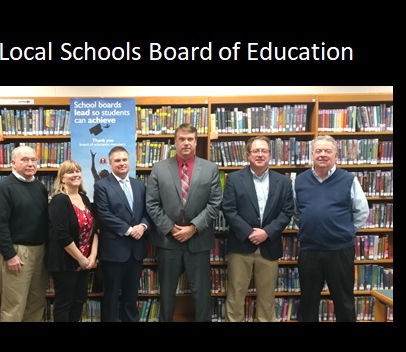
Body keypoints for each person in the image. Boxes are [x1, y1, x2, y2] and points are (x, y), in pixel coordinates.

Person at [146, 123, 222, 322]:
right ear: (175, 142)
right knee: (167, 293)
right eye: (182, 139)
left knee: (202, 293)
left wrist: (193, 228)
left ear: (196, 142)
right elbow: (151, 204)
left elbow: (215, 203)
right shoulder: (159, 168)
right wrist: (171, 228)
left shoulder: (210, 168)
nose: (186, 143)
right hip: (168, 243)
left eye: (190, 139)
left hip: (199, 241)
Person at [294, 135, 369, 322]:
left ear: (336, 155)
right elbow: (296, 212)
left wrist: (346, 231)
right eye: (318, 151)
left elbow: (361, 211)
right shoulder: (299, 180)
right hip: (309, 250)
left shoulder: (349, 179)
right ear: (312, 154)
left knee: (344, 301)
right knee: (308, 302)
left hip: (340, 251)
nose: (322, 155)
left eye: (327, 151)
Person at [221, 136, 294, 322]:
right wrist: (249, 233)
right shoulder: (234, 179)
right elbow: (228, 209)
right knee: (236, 295)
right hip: (241, 246)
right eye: (256, 151)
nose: (260, 154)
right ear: (248, 155)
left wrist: (267, 232)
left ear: (270, 155)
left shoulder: (283, 182)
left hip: (269, 245)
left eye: (264, 151)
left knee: (267, 298)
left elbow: (287, 212)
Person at [0, 145, 49, 322]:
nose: (30, 164)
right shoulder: (4, 188)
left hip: (40, 251)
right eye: (24, 160)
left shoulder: (39, 187)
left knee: (36, 303)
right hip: (17, 253)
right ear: (13, 163)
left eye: (33, 160)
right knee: (14, 306)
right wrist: (9, 255)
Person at [93, 146, 151, 322]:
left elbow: (148, 211)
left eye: (124, 160)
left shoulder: (139, 184)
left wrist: (143, 225)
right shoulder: (101, 186)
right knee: (110, 297)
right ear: (110, 163)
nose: (121, 163)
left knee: (131, 297)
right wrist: (129, 230)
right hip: (114, 251)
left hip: (136, 251)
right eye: (117, 160)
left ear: (129, 161)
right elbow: (103, 214)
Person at [47, 159, 99, 322]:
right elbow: (63, 236)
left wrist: (92, 257)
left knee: (78, 302)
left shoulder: (84, 198)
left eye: (77, 171)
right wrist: (81, 259)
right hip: (66, 262)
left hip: (85, 262)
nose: (75, 174)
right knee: (64, 304)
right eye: (70, 172)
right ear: (62, 178)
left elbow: (94, 230)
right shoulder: (59, 200)